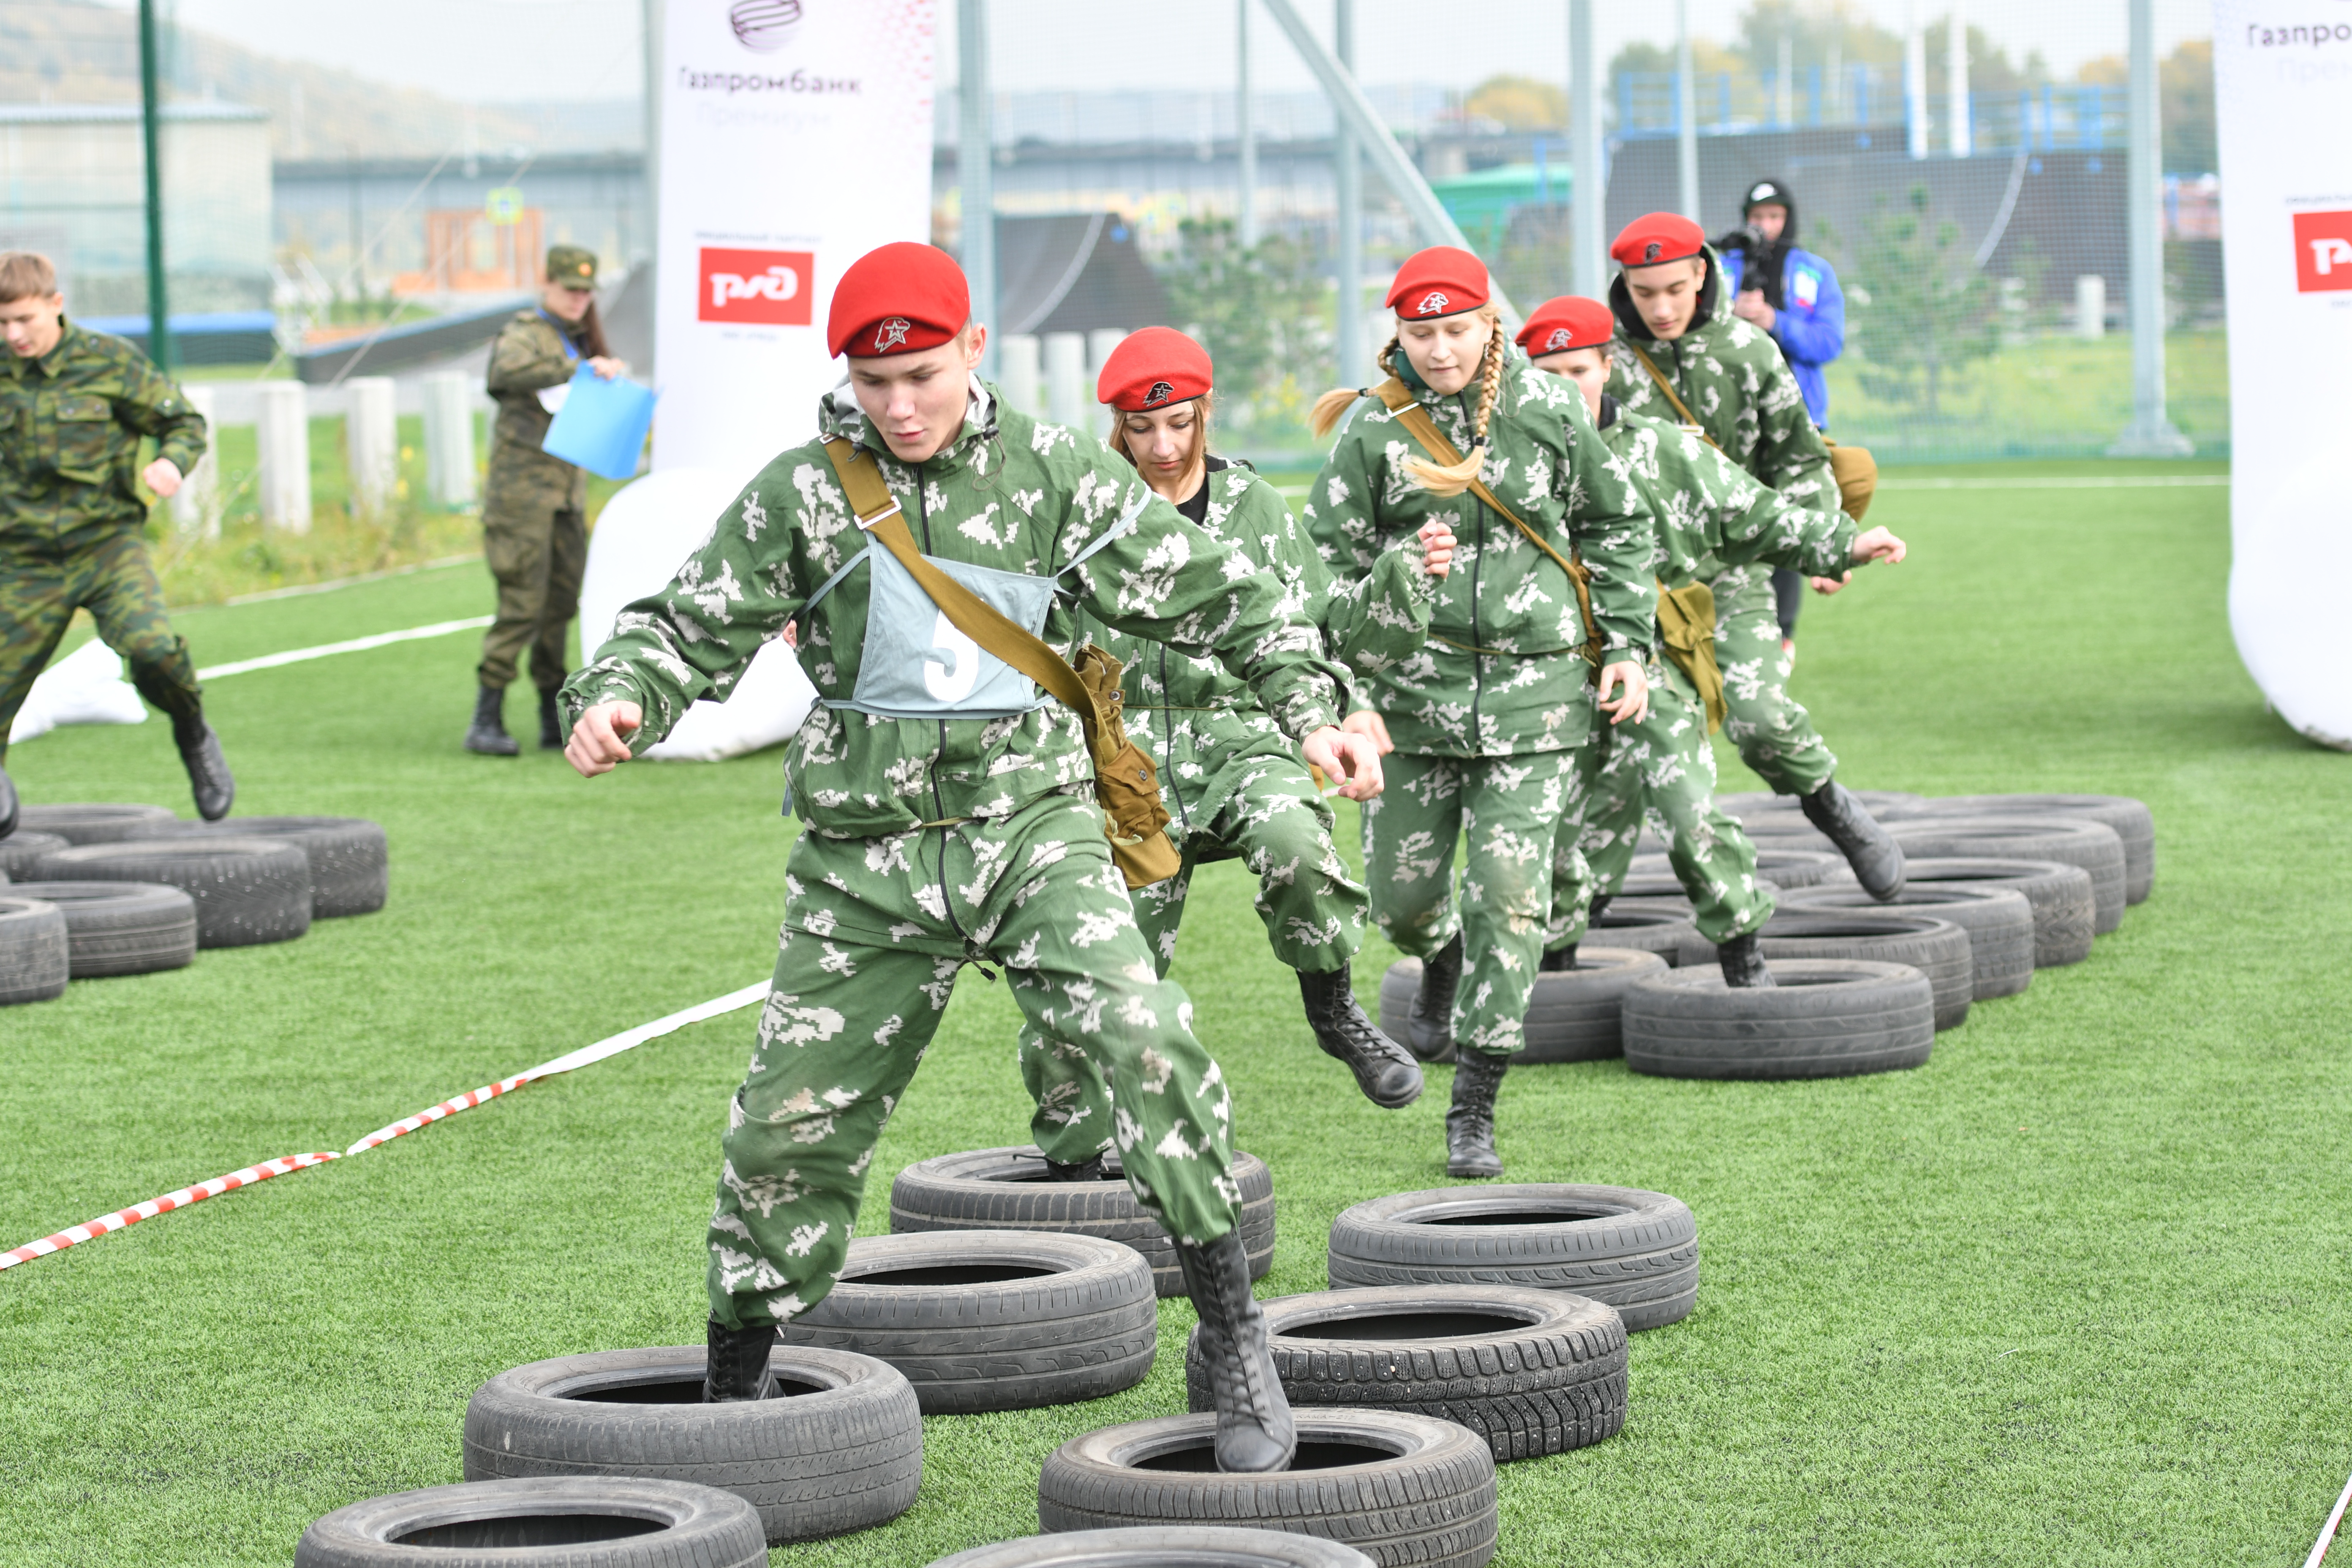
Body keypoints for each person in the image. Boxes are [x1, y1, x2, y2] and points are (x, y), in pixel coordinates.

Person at [561, 242, 1383, 1473]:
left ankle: (1234, 1342)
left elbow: (1223, 596)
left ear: (973, 354)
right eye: (874, 379)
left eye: (924, 375)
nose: (900, 405)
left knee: (1141, 1038)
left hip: (1029, 832)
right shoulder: (805, 491)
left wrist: (1313, 709)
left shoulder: (1052, 472)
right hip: (867, 858)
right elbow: (688, 621)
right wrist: (624, 694)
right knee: (787, 1125)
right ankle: (735, 1382)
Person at [1016, 327, 1446, 1163]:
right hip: (1121, 757)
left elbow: (1316, 628)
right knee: (1091, 952)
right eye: (1142, 430)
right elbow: (1012, 620)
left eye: (1180, 424)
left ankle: (1333, 1008)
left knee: (1299, 844)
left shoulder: (1255, 508)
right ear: (1118, 429)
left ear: (1206, 415)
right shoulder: (1082, 516)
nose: (1164, 447)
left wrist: (1399, 588)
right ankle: (1073, 1139)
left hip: (1242, 737)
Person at [1304, 246, 1655, 1179]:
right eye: (1422, 334)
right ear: (1400, 336)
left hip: (1536, 698)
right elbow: (1322, 573)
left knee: (1509, 895)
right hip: (1412, 705)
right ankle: (1439, 956)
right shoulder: (1374, 433)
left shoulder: (1547, 411)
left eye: (1457, 329)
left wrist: (1627, 643)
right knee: (1402, 901)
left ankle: (1476, 1098)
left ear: (1490, 326)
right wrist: (1356, 689)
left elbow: (1618, 525)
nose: (1441, 349)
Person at [1519, 295, 1907, 985]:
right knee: (1552, 820)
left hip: (1651, 655)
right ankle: (1556, 963)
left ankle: (1740, 951)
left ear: (1606, 368)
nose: (1562, 388)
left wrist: (1844, 544)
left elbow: (1754, 513)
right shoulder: (1505, 466)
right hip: (1548, 666)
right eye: (1544, 373)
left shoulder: (1661, 449)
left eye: (1576, 368)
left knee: (1686, 807)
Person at [1605, 212, 1901, 900]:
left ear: (1701, 274)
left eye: (1673, 289)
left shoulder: (1749, 351)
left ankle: (1832, 807)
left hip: (1729, 569)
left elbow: (1798, 462)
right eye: (1643, 292)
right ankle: (1564, 928)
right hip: (1629, 588)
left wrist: (1823, 542)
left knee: (1760, 720)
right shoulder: (1602, 362)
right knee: (1615, 759)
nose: (1660, 306)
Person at [0, 250, 230, 827]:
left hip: (106, 550)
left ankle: (193, 732)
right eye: (1, 323)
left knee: (154, 652)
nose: (13, 334)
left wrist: (172, 465)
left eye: (24, 319)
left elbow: (183, 422)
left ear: (56, 305)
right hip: (20, 558)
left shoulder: (107, 362)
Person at [464, 244, 626, 756]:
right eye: (570, 289)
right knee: (522, 604)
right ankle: (486, 717)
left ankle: (549, 712)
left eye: (585, 292)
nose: (579, 299)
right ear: (548, 285)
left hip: (564, 495)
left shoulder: (573, 339)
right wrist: (576, 369)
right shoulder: (526, 334)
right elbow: (504, 373)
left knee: (559, 603)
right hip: (522, 497)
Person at [1718, 178, 1847, 655]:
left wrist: (1776, 321)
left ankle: (1783, 634)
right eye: (1757, 218)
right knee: (1734, 522)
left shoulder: (1814, 272)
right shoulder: (1715, 268)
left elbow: (1828, 343)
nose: (1765, 227)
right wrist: (1728, 315)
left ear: (1788, 218)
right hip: (1729, 418)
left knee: (1792, 524)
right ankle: (1728, 629)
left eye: (1774, 217)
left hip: (1799, 419)